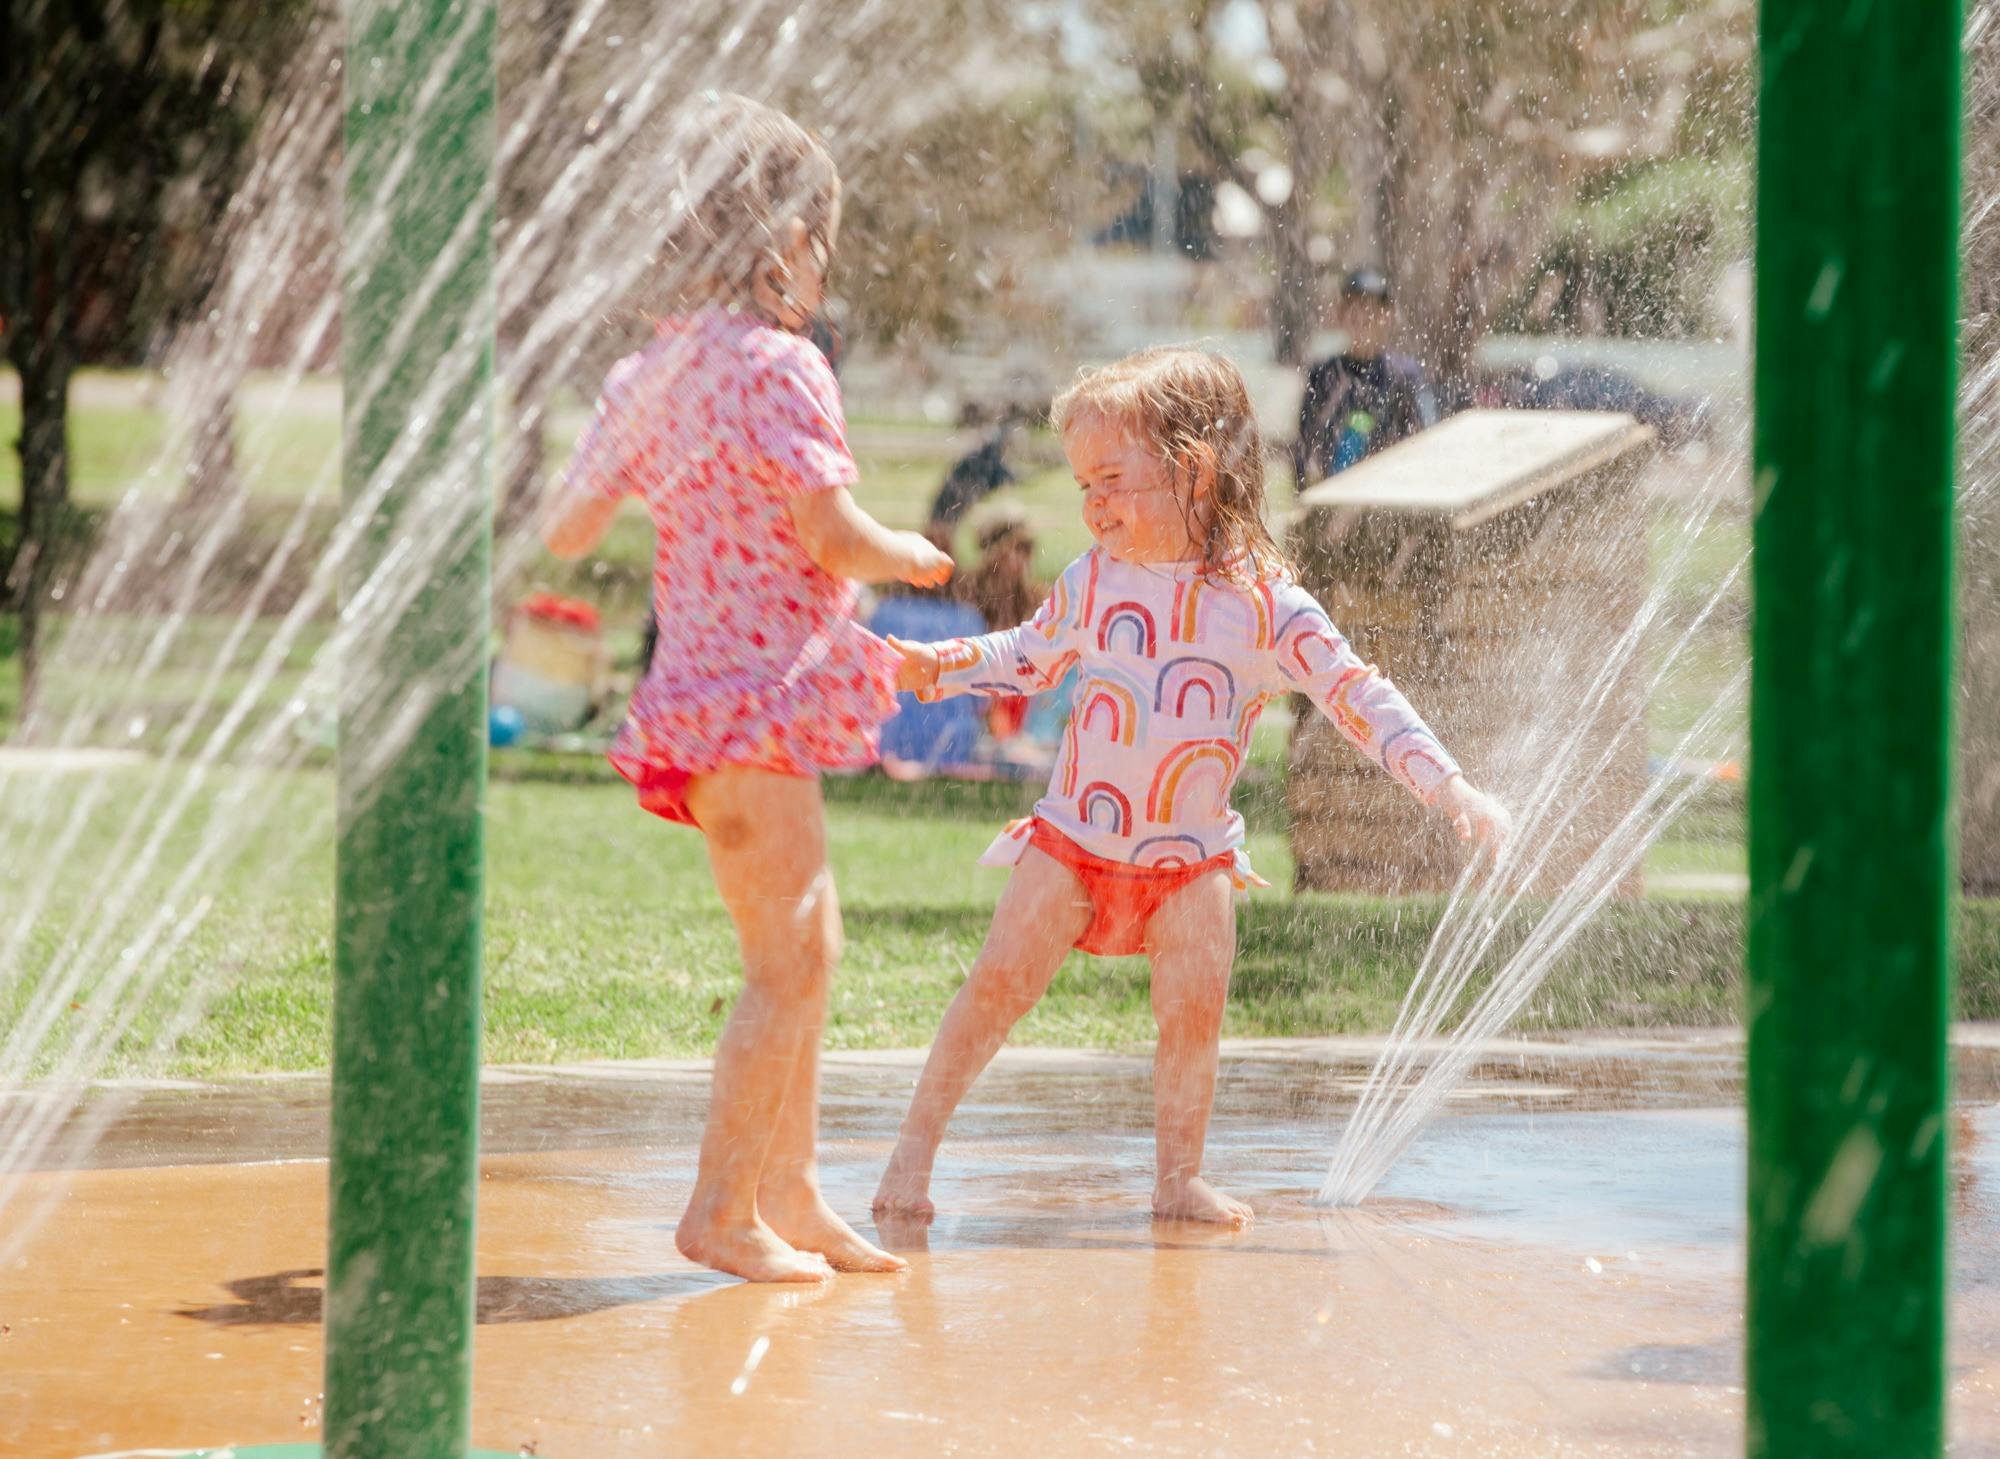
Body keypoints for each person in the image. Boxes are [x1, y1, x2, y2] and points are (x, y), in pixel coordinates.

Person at [873, 347, 1509, 1226]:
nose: (1091, 503)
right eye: (1082, 483)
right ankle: (910, 1158)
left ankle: (1179, 1178)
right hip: (1073, 844)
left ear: (1194, 470)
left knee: (1193, 1018)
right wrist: (936, 668)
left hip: (1191, 861)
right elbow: (1025, 655)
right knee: (993, 991)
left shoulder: (1264, 606)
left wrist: (1450, 788)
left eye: (1110, 478)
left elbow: (1357, 693)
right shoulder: (1094, 582)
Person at [541, 95, 952, 1283]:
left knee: (803, 949)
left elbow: (568, 530)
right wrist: (908, 555)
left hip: (697, 710)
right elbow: (827, 533)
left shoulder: (647, 371)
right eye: (820, 238)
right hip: (760, 705)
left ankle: (792, 1190)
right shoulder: (783, 367)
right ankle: (721, 1208)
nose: (824, 262)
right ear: (781, 246)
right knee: (795, 964)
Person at [1293, 268, 1440, 489]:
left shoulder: (1406, 375)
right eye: (1351, 307)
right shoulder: (1324, 375)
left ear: (1386, 316)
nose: (1359, 316)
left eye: (1368, 307)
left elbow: (1429, 438)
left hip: (1389, 494)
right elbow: (1304, 446)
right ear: (1340, 315)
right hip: (1332, 494)